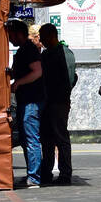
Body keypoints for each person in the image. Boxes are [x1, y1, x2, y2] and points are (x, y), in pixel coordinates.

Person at [7, 20, 46, 188]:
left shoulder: (28, 49)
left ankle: (35, 177)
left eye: (10, 35)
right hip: (26, 99)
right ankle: (33, 173)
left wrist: (18, 83)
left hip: (32, 99)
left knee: (31, 139)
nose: (9, 39)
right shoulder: (24, 49)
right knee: (26, 138)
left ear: (18, 33)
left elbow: (37, 72)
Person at [38, 22, 74, 186]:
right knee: (46, 138)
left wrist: (63, 96)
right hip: (47, 101)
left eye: (43, 37)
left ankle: (65, 173)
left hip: (59, 101)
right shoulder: (46, 54)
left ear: (52, 35)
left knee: (60, 137)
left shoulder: (64, 52)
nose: (41, 40)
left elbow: (70, 78)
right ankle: (46, 171)